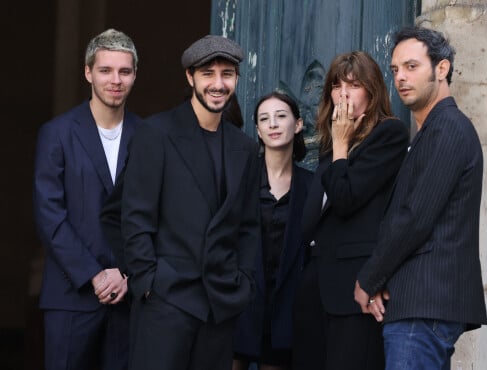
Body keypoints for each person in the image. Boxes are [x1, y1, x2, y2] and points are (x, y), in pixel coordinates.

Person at [120, 35, 260, 370]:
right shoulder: (156, 133)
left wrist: (243, 281)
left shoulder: (245, 148)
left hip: (220, 305)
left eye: (227, 74)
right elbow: (135, 216)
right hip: (166, 301)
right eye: (208, 73)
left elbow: (249, 226)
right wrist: (149, 282)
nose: (218, 83)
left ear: (237, 79)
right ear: (190, 77)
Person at [354, 26, 487, 370]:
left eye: (411, 67)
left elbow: (415, 217)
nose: (400, 77)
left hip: (424, 305)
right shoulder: (431, 131)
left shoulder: (448, 128)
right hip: (418, 305)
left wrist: (369, 279)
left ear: (441, 69)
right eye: (396, 69)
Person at [292, 51, 409, 370]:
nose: (343, 94)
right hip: (315, 288)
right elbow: (311, 221)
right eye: (337, 85)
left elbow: (345, 199)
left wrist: (341, 146)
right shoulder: (334, 147)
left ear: (372, 94)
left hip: (355, 290)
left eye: (354, 85)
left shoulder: (389, 134)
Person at [32, 28, 141, 370]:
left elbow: (155, 215)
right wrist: (94, 274)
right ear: (88, 72)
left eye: (124, 71)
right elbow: (50, 216)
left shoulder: (150, 136)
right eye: (106, 70)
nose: (115, 80)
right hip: (71, 296)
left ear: (135, 74)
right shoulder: (57, 133)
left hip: (129, 298)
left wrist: (127, 274)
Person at [233, 92, 313, 370]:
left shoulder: (312, 186)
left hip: (285, 315)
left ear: (298, 124)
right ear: (257, 130)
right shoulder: (240, 179)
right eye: (264, 119)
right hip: (239, 307)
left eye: (281, 116)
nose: (273, 124)